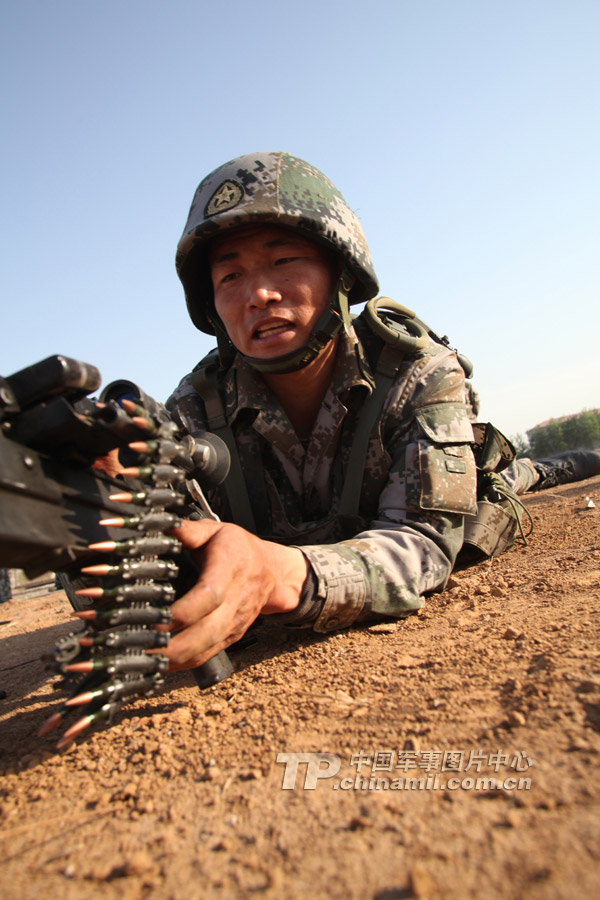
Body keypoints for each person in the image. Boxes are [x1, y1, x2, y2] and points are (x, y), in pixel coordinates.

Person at [162, 151, 600, 672]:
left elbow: (422, 541)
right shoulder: (194, 409)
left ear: (340, 271)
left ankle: (564, 462)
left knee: (515, 479)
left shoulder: (416, 372)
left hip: (455, 486)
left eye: (283, 262)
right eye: (230, 276)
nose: (259, 293)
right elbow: (163, 557)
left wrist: (280, 575)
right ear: (210, 303)